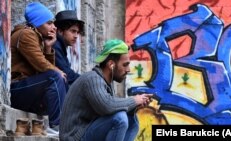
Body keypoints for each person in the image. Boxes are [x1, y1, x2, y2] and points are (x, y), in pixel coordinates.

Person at [59, 39, 153, 141]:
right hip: (74, 138)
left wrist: (135, 106)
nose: (128, 69)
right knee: (120, 118)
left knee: (132, 119)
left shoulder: (106, 82)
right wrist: (134, 100)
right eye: (125, 65)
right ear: (111, 64)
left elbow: (109, 108)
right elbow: (107, 105)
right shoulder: (93, 79)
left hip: (88, 131)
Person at [10, 2, 67, 130]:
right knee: (55, 77)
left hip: (25, 90)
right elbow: (41, 64)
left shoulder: (37, 36)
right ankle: (57, 126)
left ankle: (54, 126)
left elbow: (43, 68)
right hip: (16, 89)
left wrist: (48, 48)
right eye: (49, 23)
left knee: (58, 81)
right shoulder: (26, 34)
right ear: (37, 23)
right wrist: (58, 71)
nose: (54, 27)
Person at [53, 10, 84, 85]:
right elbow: (68, 75)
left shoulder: (60, 45)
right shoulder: (55, 46)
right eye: (73, 31)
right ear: (60, 31)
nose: (76, 36)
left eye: (77, 32)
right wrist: (88, 79)